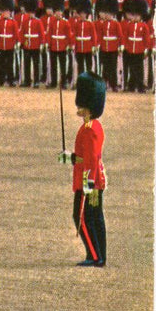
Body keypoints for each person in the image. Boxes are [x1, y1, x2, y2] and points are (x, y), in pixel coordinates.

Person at [60, 72, 107, 267]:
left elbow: (91, 160)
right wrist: (70, 157)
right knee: (94, 218)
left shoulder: (90, 129)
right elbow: (85, 157)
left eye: (81, 105)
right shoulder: (92, 126)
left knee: (82, 217)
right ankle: (98, 255)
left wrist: (88, 184)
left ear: (89, 107)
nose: (78, 108)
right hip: (92, 179)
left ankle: (95, 256)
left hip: (89, 181)